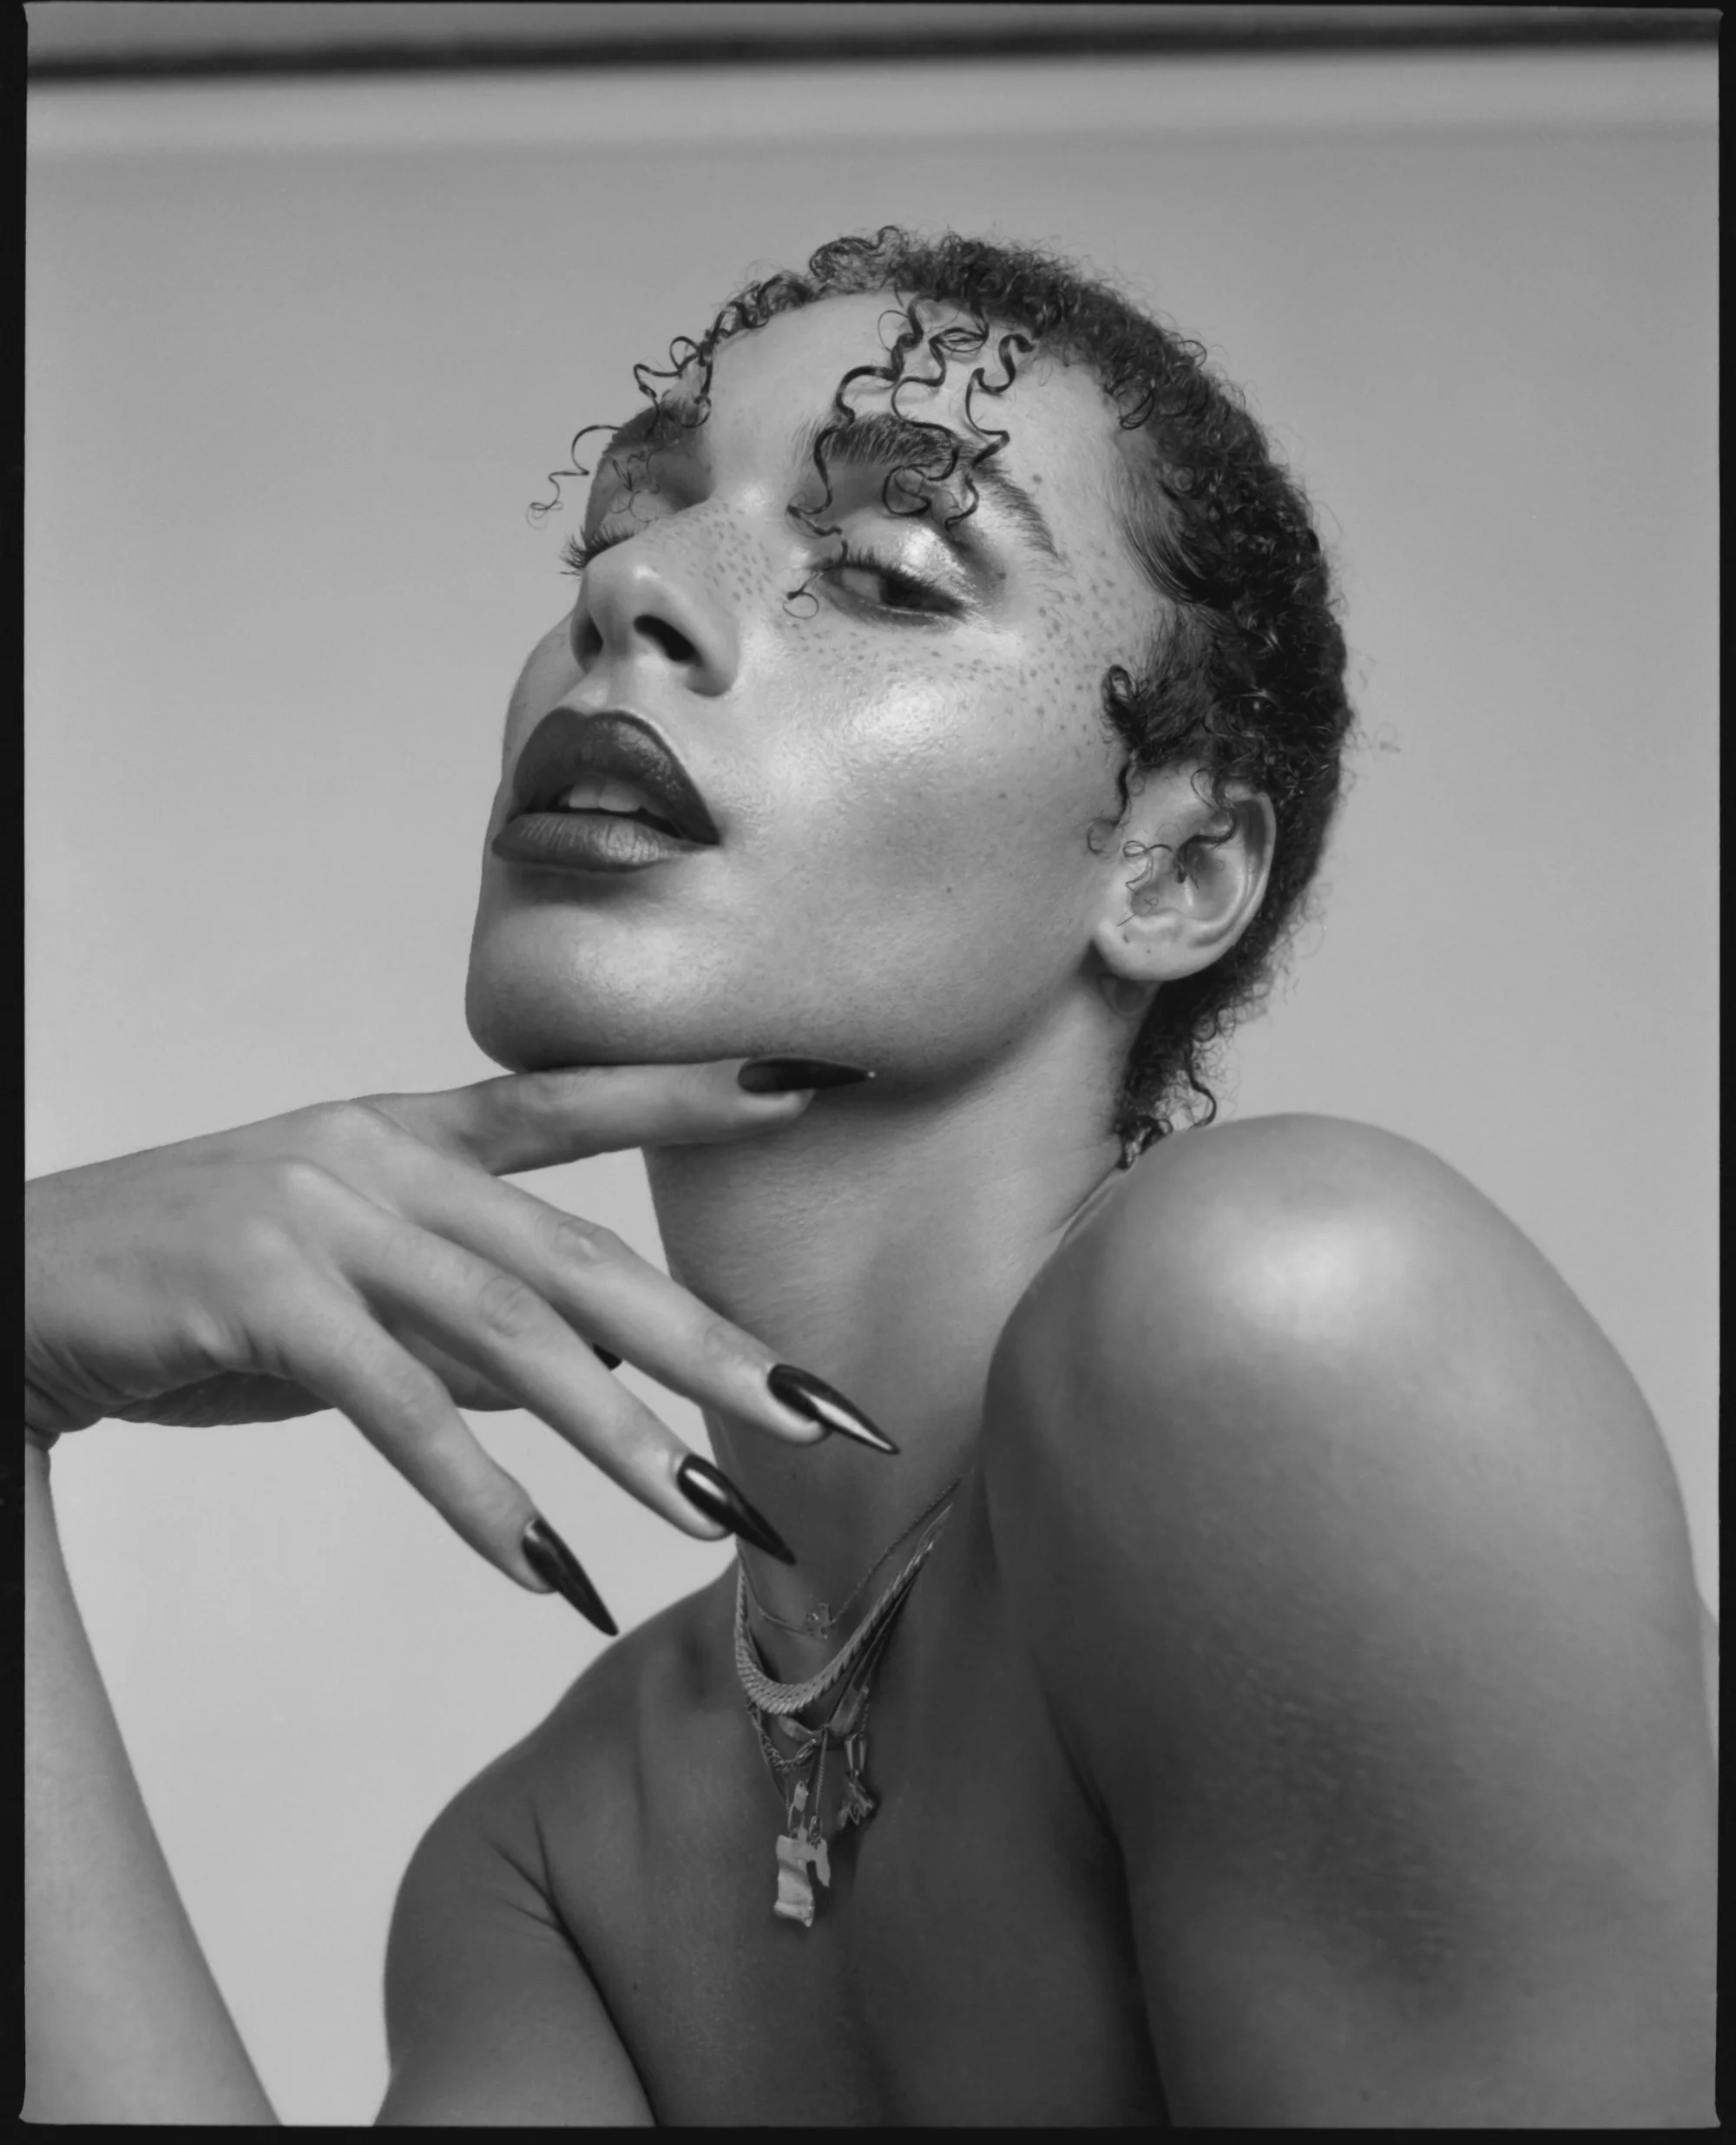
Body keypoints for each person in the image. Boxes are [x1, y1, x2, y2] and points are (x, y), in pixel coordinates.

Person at [24, 227, 1716, 2127]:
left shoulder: (1289, 1312)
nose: (637, 593)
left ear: (1169, 873)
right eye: (617, 528)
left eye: (890, 573)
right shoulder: (548, 1863)